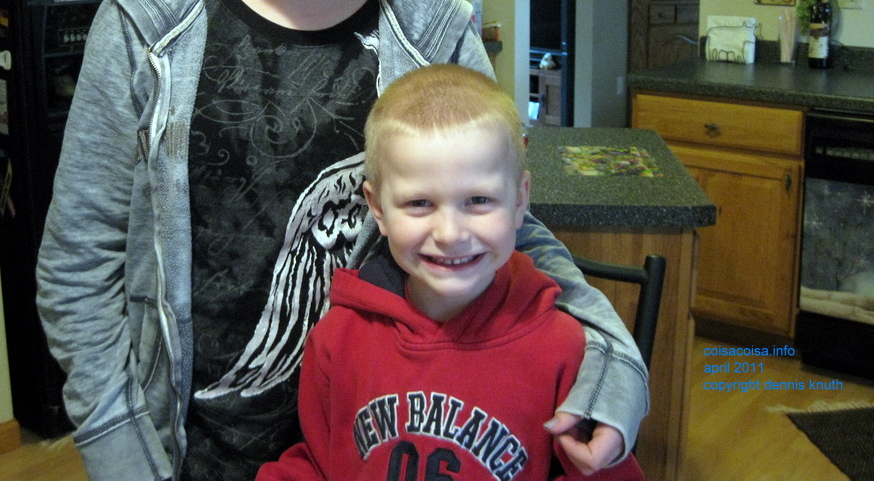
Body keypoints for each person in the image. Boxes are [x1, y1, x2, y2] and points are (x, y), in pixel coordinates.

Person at [36, 0, 647, 480]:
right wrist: (118, 448)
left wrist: (616, 361)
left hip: (384, 444)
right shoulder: (141, 27)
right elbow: (78, 264)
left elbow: (510, 229)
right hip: (186, 456)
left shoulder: (434, 29)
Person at [257, 65, 645, 481]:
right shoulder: (338, 336)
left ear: (519, 201)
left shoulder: (564, 350)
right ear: (378, 209)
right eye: (420, 203)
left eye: (478, 200)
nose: (450, 234)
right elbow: (321, 461)